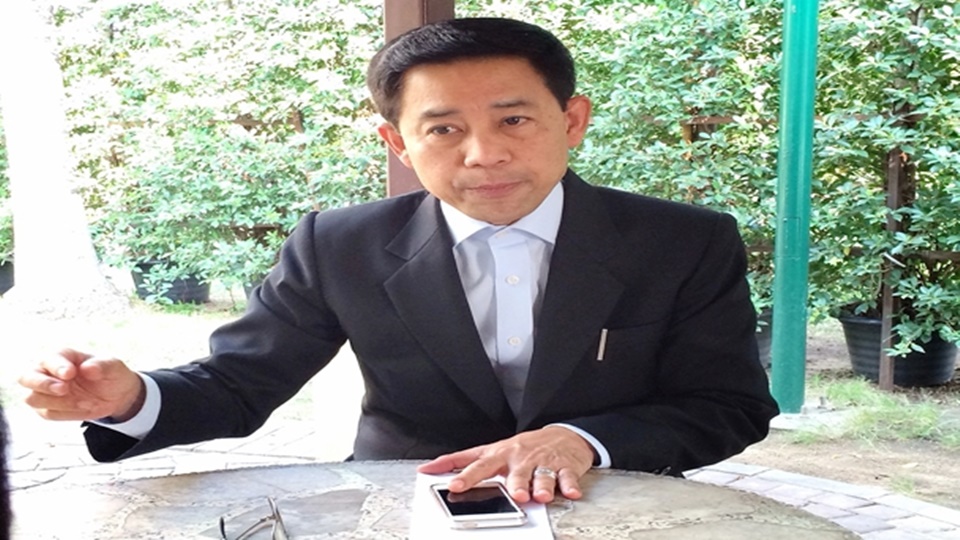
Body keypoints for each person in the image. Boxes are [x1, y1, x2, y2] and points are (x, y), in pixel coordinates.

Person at [19, 17, 778, 505]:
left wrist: (584, 439)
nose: (483, 154)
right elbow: (240, 384)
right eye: (443, 129)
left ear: (571, 119)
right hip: (408, 502)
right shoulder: (337, 244)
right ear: (398, 143)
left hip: (613, 501)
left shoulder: (681, 241)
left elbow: (727, 406)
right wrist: (128, 398)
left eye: (514, 119)